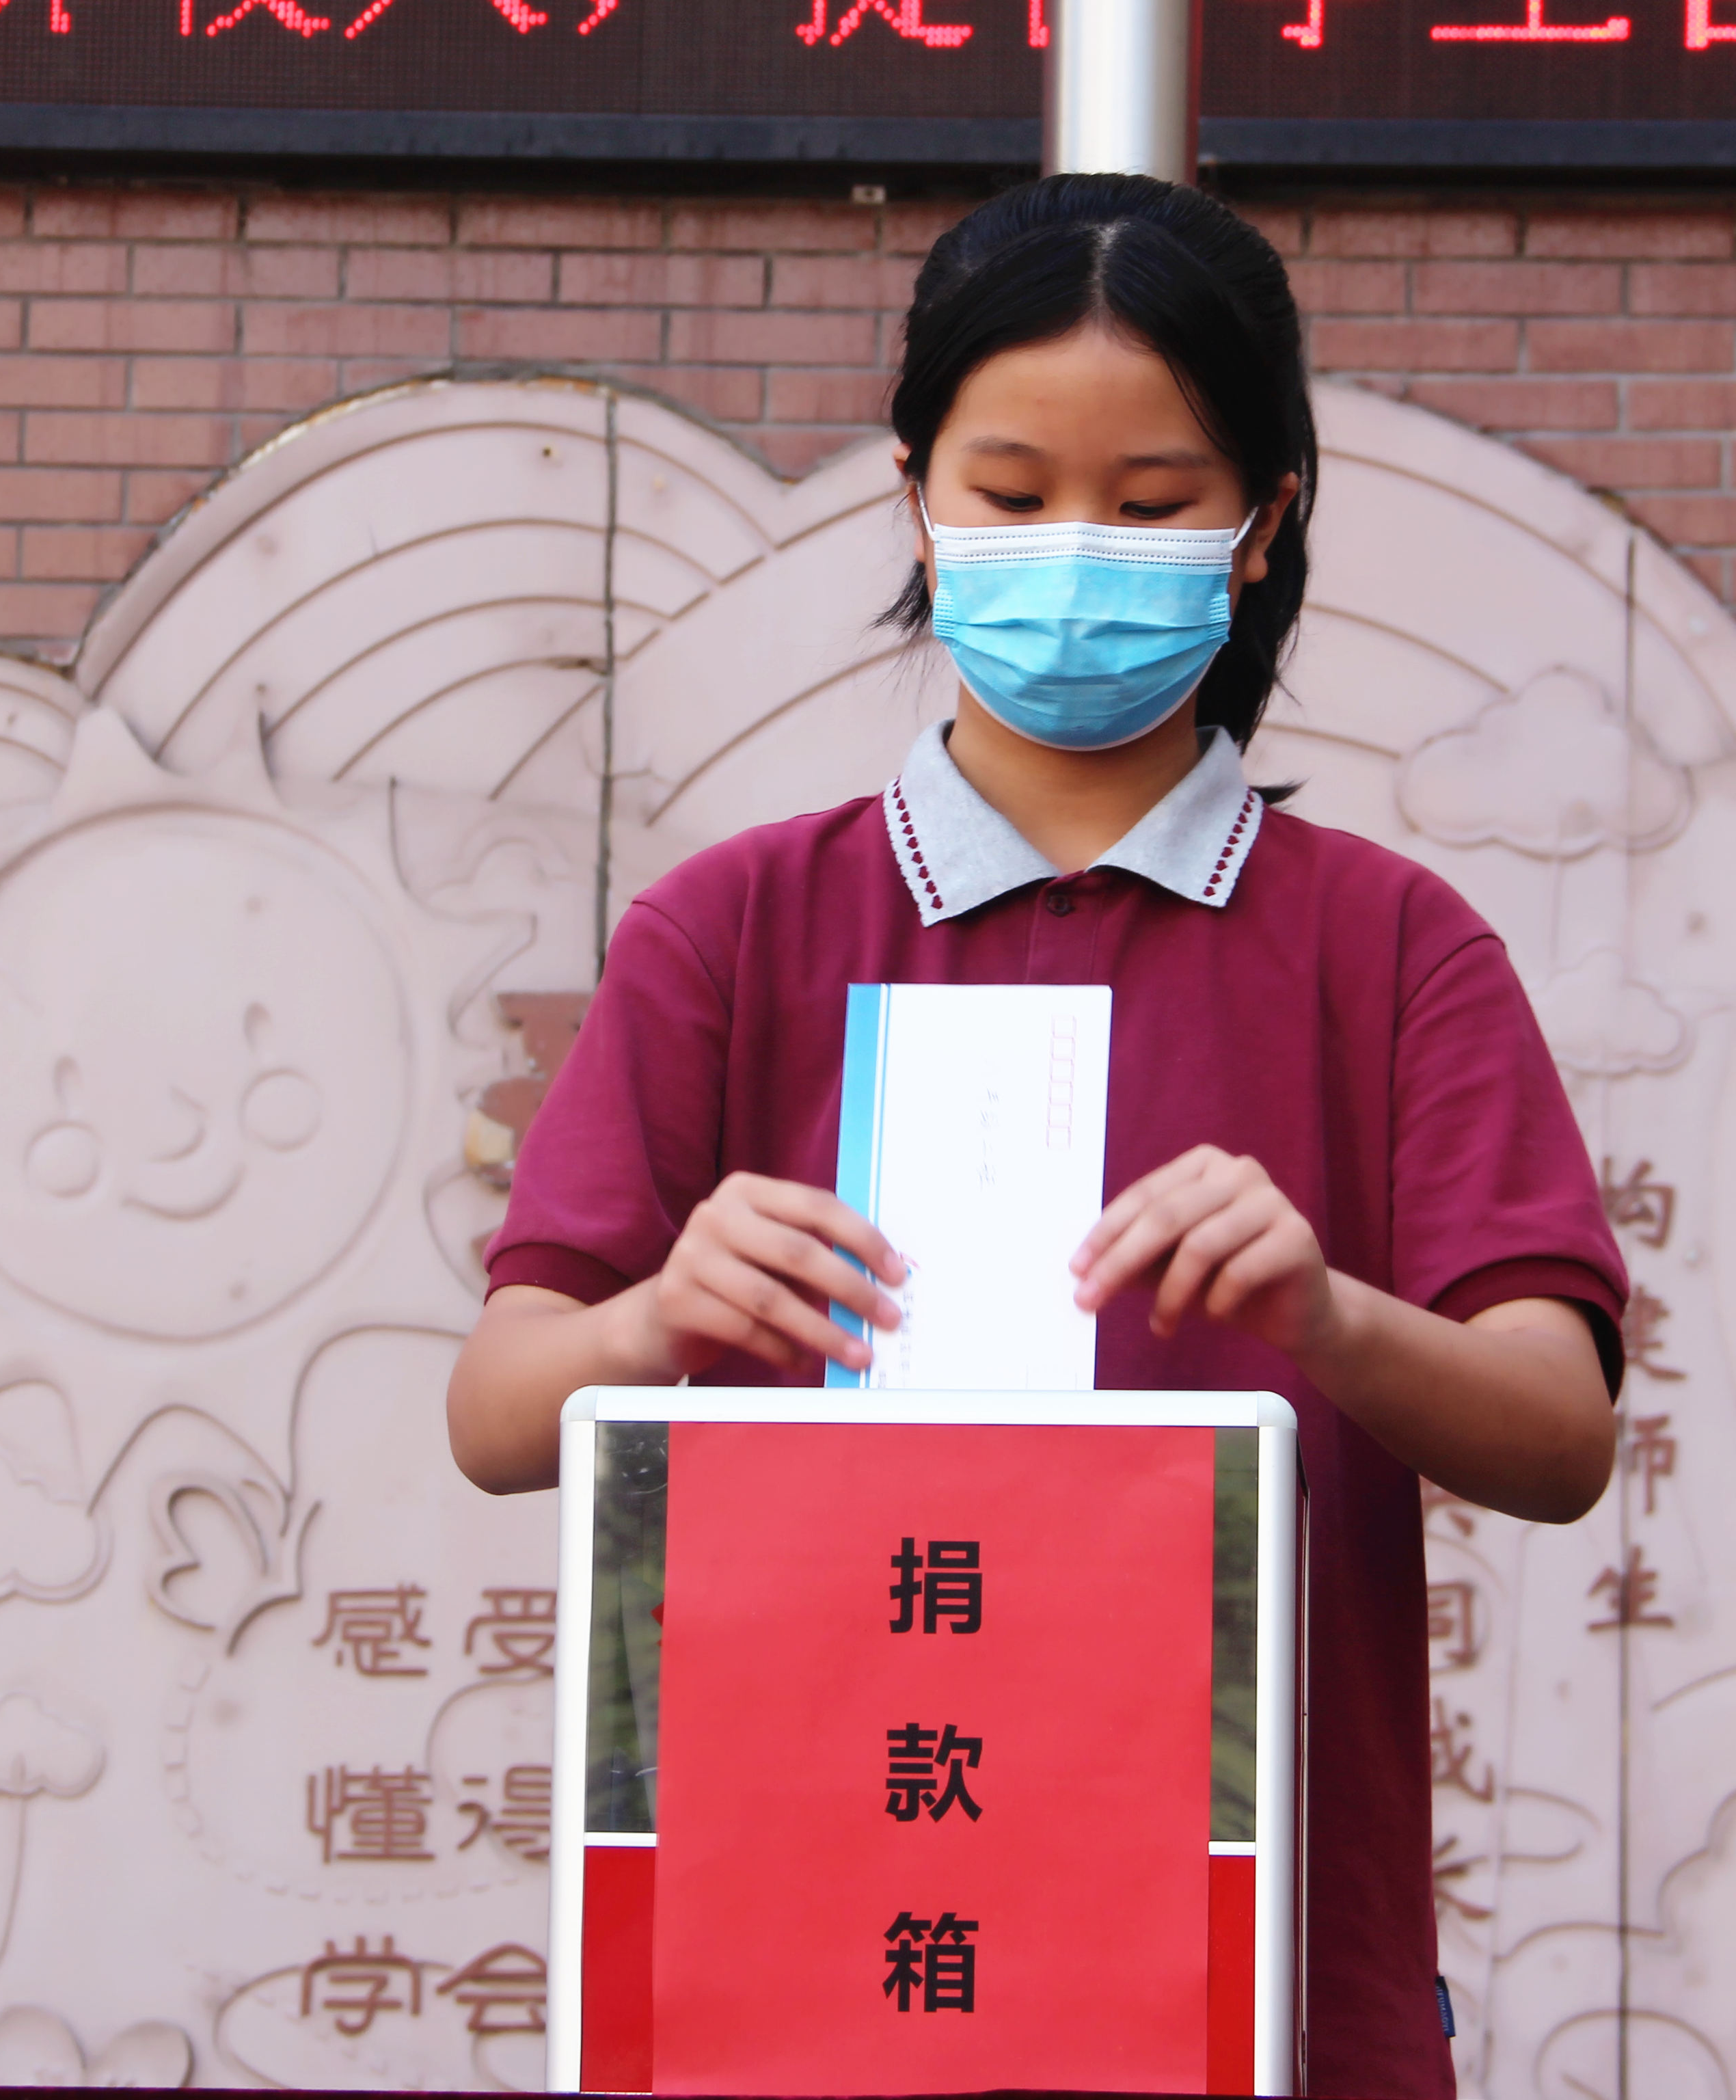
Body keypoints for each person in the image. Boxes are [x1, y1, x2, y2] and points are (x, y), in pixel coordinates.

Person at [446, 171, 1629, 2099]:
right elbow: (500, 1413)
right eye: (1009, 494)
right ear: (912, 493)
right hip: (797, 1950)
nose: (1074, 549)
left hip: (1255, 1978)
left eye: (1152, 506)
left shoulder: (1391, 945)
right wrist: (651, 1321)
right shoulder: (731, 929)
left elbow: (1559, 1432)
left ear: (1265, 525)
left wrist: (1327, 1318)